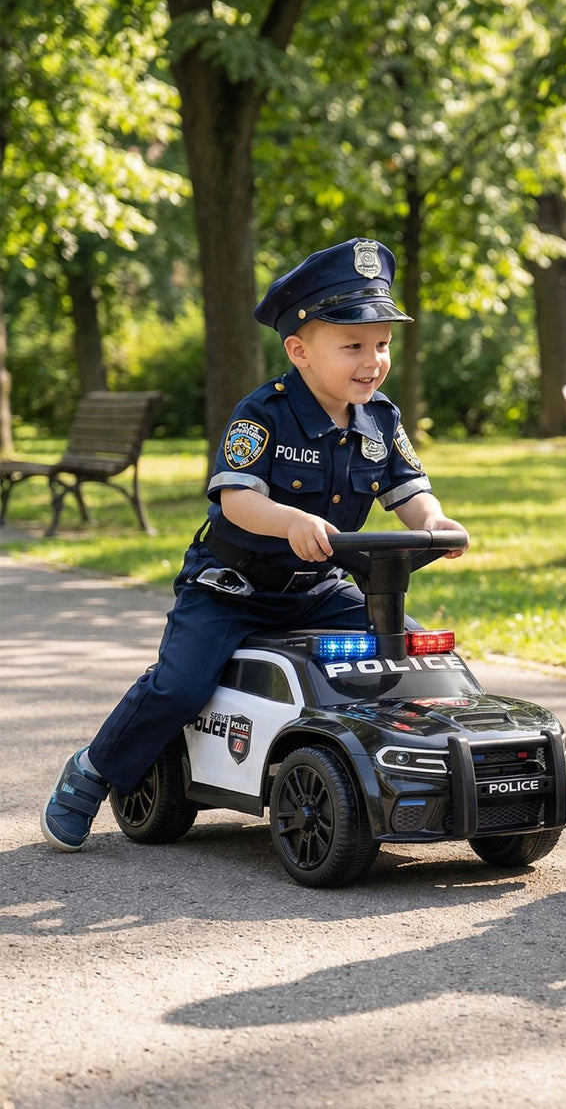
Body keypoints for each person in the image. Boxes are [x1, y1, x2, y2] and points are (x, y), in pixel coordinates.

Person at [41, 237, 469, 853]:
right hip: (232, 587)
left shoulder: (382, 420)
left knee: (409, 656)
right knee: (181, 686)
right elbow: (238, 501)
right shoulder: (262, 414)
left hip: (320, 590)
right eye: (352, 345)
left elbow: (409, 493)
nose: (372, 360)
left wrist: (437, 522)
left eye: (382, 344)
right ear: (299, 350)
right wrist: (291, 521)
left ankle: (404, 773)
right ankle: (95, 768)